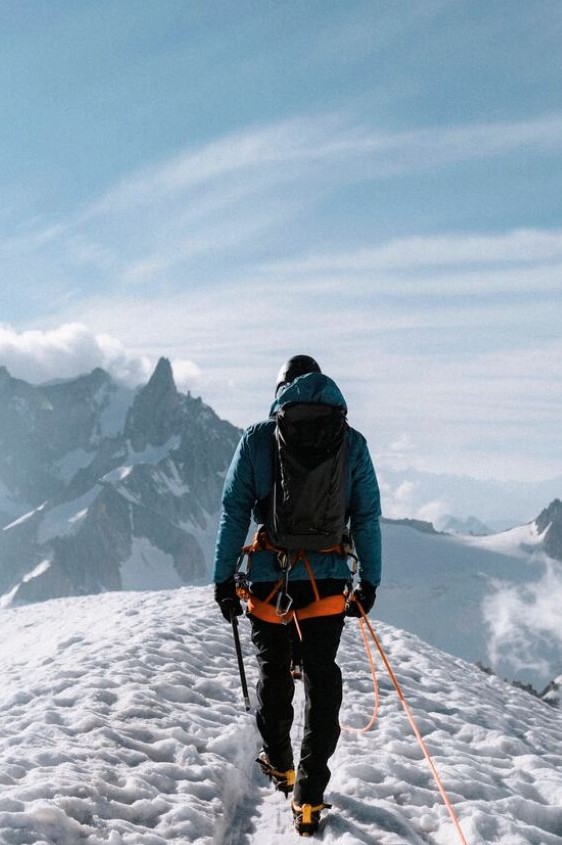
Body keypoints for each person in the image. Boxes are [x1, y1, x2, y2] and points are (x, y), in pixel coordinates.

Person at [212, 355, 382, 836]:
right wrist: (370, 581)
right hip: (326, 581)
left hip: (269, 577)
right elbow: (366, 516)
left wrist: (223, 579)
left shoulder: (259, 439)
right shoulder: (352, 442)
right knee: (322, 676)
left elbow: (234, 512)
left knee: (273, 670)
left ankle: (281, 763)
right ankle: (310, 795)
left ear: (282, 390)